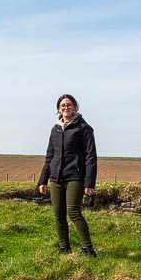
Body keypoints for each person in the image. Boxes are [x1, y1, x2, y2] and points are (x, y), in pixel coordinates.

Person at [37, 93, 97, 256]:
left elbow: (91, 156)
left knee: (74, 212)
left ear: (75, 107)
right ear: (58, 108)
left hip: (75, 177)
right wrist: (43, 180)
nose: (66, 107)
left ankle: (88, 249)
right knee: (58, 214)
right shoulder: (55, 129)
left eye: (69, 104)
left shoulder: (84, 128)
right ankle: (64, 248)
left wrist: (89, 182)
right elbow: (50, 155)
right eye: (63, 105)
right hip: (56, 178)